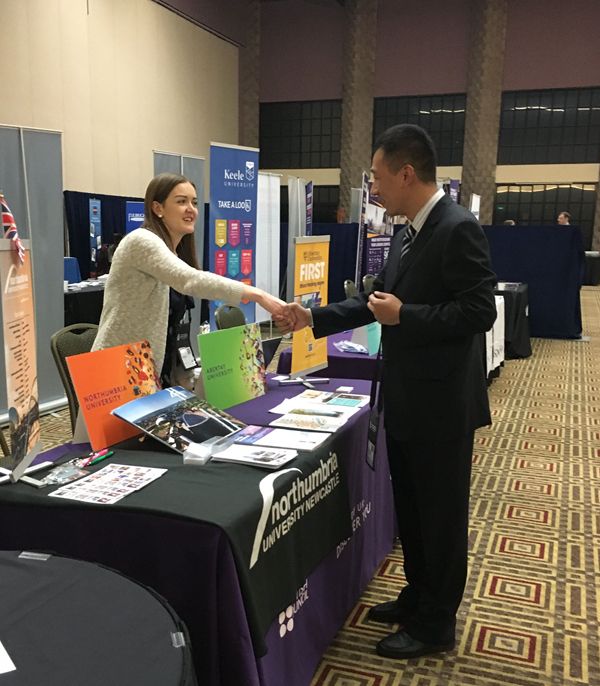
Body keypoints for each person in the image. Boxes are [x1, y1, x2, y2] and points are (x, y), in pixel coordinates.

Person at [275, 124, 497, 659]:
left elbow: (479, 311)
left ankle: (436, 624)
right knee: (413, 512)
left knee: (440, 519)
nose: (372, 189)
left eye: (376, 177)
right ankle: (418, 596)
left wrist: (407, 316)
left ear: (406, 173)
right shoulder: (406, 232)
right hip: (406, 398)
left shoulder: (457, 228)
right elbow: (376, 301)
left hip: (442, 406)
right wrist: (312, 318)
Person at [92, 172, 284, 380]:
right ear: (158, 208)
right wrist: (259, 295)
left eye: (194, 202)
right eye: (181, 201)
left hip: (145, 368)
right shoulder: (141, 240)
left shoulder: (173, 252)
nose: (191, 209)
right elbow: (190, 280)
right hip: (117, 368)